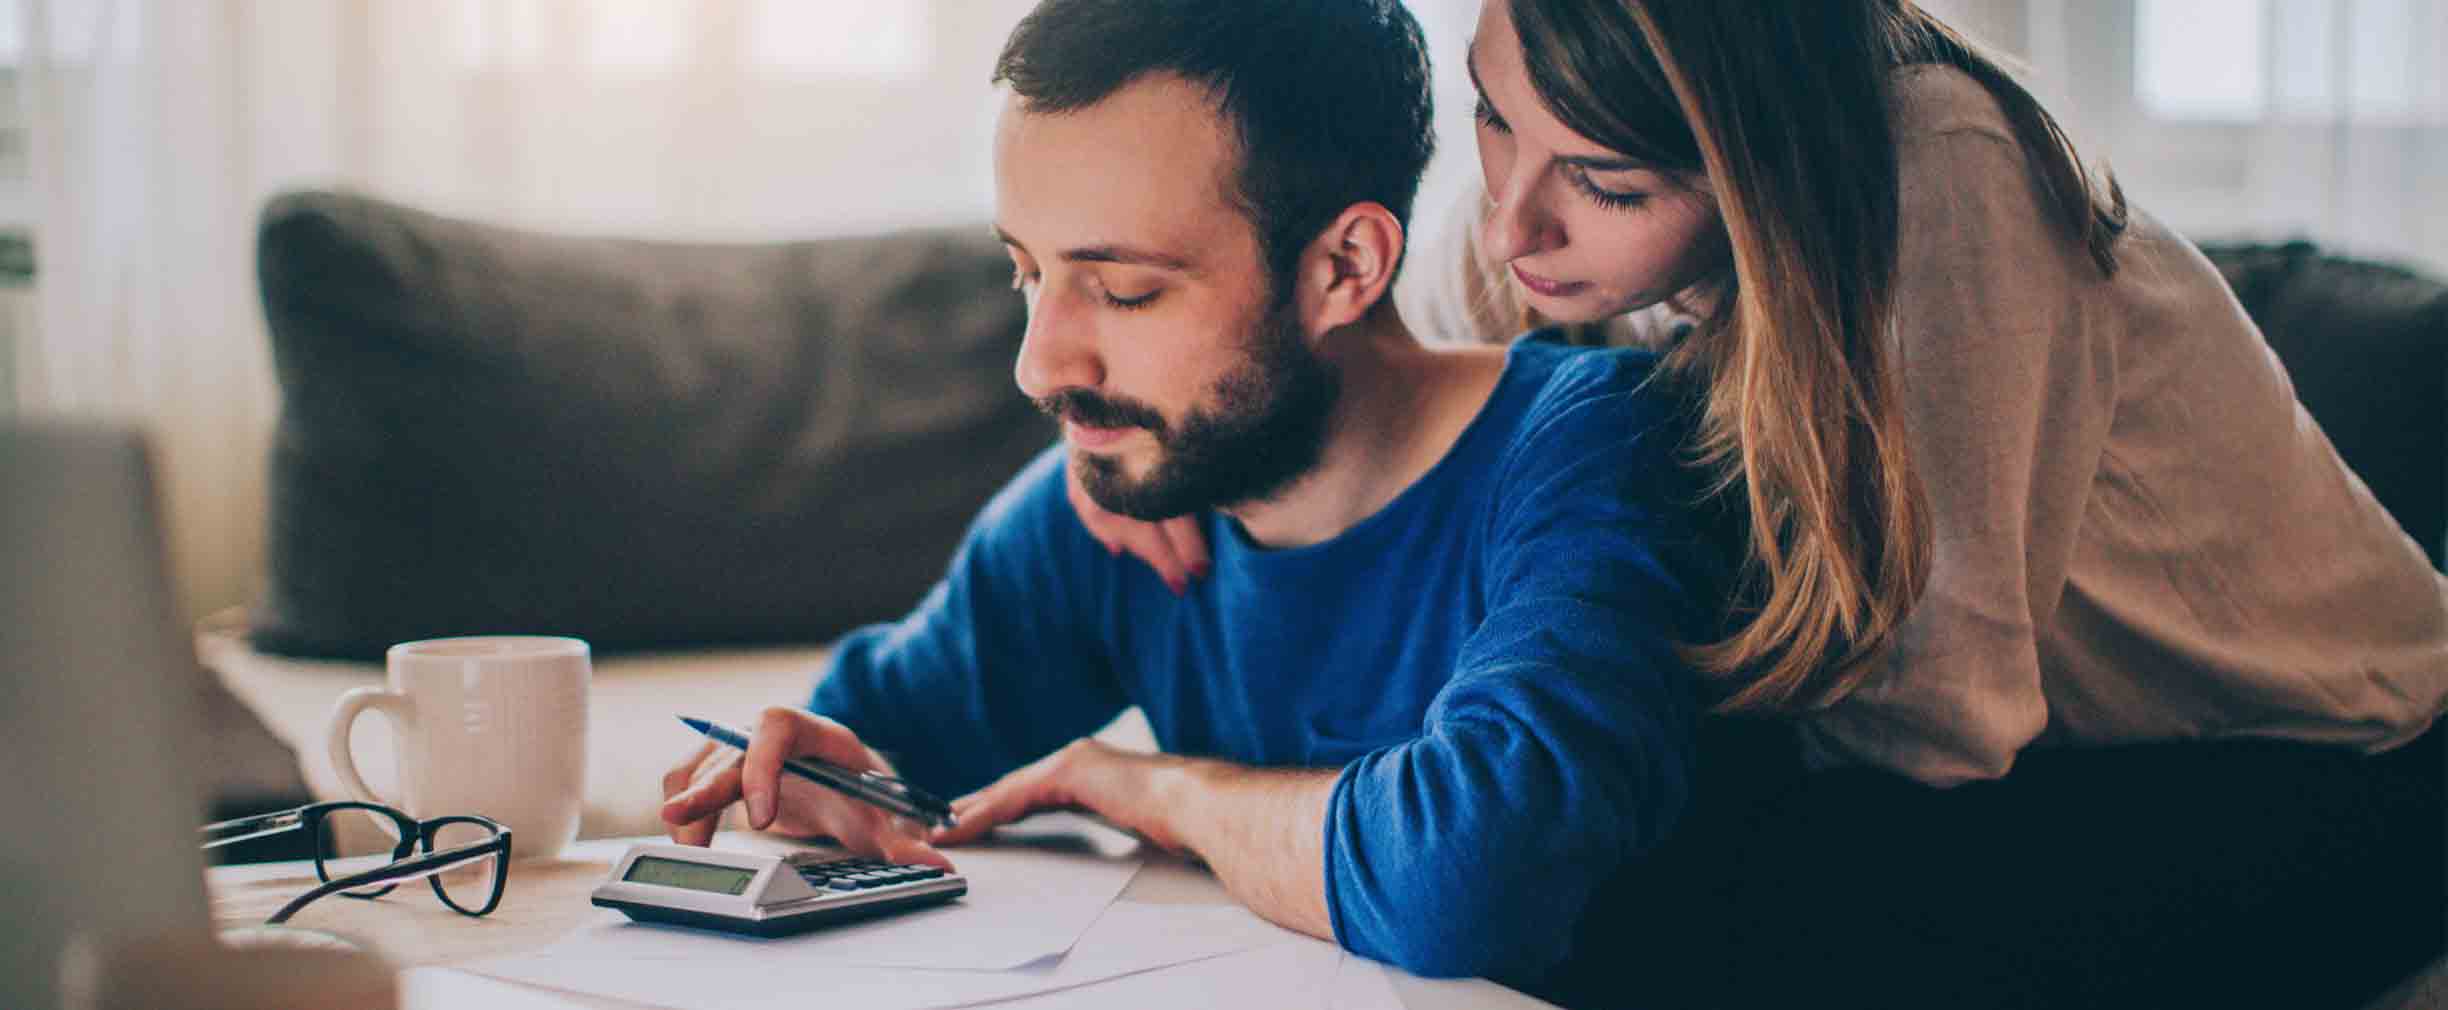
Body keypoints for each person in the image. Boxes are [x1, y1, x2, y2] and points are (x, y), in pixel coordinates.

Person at [1074, 2, 2448, 1007]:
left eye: (1608, 184)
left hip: (2334, 757)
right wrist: (1147, 436)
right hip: (2027, 753)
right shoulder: (1556, 152)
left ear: (1757, 160)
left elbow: (1944, 718)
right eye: (1494, 116)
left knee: (1635, 889)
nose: (1512, 226)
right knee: (1542, 843)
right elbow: (1379, 372)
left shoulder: (1938, 175)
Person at [659, 0, 1745, 995]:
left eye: (1124, 288)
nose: (1040, 365)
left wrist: (1158, 789)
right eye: (1025, 271)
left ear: (1344, 266)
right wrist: (805, 770)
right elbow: (885, 741)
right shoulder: (1127, 498)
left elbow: (1475, 875)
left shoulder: (1603, 446)